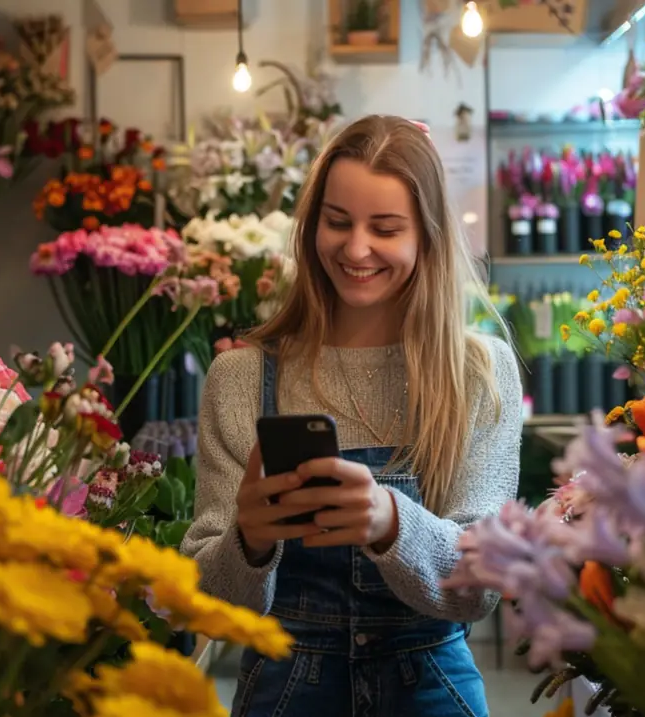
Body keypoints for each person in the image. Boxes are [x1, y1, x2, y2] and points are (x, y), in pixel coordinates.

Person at [181, 114, 522, 717]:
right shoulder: (241, 378)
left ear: (428, 237)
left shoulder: (479, 375)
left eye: (385, 228)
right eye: (337, 222)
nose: (356, 248)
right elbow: (207, 596)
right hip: (285, 692)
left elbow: (482, 586)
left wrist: (391, 522)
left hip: (430, 690)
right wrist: (249, 540)